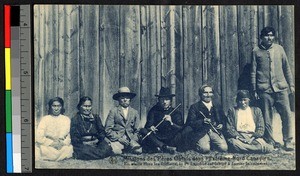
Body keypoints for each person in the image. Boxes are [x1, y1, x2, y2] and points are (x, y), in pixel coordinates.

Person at [250, 26, 295, 151]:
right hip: (264, 90)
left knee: (286, 114)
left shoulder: (279, 49)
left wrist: (291, 84)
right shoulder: (256, 51)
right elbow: (253, 72)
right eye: (266, 35)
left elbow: (287, 68)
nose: (269, 38)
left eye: (271, 35)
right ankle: (269, 141)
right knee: (267, 117)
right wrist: (254, 90)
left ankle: (288, 141)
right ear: (261, 37)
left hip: (281, 88)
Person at [139, 87, 186, 154]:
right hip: (157, 137)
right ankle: (165, 147)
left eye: (167, 100)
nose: (164, 102)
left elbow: (181, 128)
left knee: (182, 134)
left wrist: (171, 122)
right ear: (159, 100)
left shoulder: (176, 112)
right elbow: (147, 126)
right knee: (143, 130)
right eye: (162, 99)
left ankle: (159, 147)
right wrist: (151, 127)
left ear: (171, 101)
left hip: (171, 138)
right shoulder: (154, 110)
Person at [185, 85, 228, 153]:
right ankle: (199, 144)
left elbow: (224, 119)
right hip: (201, 132)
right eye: (205, 93)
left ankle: (211, 144)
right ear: (200, 94)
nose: (208, 95)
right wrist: (202, 121)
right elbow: (190, 122)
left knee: (224, 148)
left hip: (215, 130)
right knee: (205, 149)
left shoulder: (217, 105)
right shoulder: (194, 107)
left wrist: (221, 124)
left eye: (210, 92)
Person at [105, 87, 142, 154]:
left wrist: (133, 139)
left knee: (138, 151)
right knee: (116, 151)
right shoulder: (113, 111)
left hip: (130, 140)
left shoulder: (134, 112)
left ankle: (128, 148)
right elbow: (108, 129)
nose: (125, 100)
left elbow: (138, 129)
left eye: (127, 98)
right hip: (118, 139)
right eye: (122, 97)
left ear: (130, 99)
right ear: (118, 99)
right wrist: (119, 138)